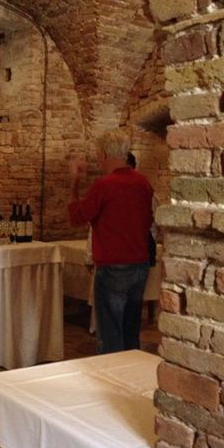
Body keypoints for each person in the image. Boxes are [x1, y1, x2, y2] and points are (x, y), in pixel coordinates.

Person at [68, 130, 154, 354]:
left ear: (105, 154)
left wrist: (74, 183)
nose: (98, 159)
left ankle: (111, 372)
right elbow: (149, 220)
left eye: (98, 154)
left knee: (110, 333)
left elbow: (76, 217)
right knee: (131, 329)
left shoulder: (105, 185)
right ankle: (131, 371)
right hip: (140, 264)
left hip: (113, 265)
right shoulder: (143, 183)